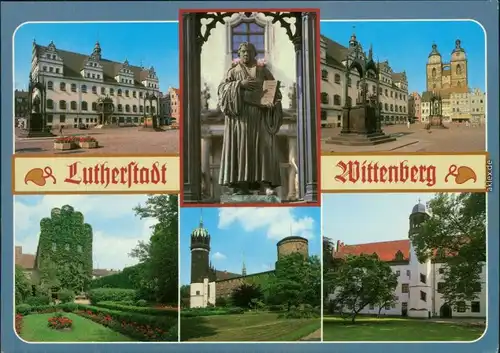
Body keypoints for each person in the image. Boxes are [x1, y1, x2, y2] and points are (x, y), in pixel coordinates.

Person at [217, 42, 283, 196]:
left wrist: (271, 103)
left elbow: (275, 91)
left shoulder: (263, 71)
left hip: (260, 115)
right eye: (243, 52)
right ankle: (242, 185)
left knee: (264, 148)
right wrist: (240, 84)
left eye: (249, 52)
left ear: (255, 54)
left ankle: (265, 183)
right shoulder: (233, 72)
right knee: (241, 148)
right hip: (240, 117)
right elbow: (222, 90)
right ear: (239, 55)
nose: (246, 54)